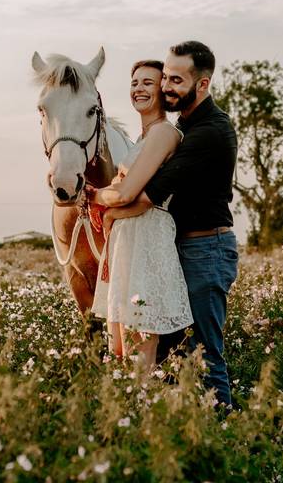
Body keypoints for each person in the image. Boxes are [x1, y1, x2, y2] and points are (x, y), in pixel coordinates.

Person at [91, 41, 239, 409]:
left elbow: (142, 197)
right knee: (172, 348)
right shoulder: (183, 124)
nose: (165, 87)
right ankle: (175, 421)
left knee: (204, 353)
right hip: (178, 246)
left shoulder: (205, 133)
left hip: (207, 248)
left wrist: (97, 201)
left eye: (175, 80)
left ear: (201, 85)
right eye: (166, 79)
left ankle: (225, 432)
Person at [88, 60, 194, 367]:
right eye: (134, 83)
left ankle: (142, 410)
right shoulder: (142, 140)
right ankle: (128, 408)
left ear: (162, 90)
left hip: (147, 238)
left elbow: (124, 194)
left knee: (139, 346)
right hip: (127, 240)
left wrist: (95, 196)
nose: (138, 88)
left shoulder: (164, 133)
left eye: (148, 83)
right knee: (119, 346)